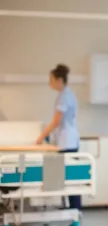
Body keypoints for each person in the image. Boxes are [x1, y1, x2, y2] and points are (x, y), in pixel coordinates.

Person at [36, 64, 81, 210]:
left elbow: (56, 121)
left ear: (59, 80)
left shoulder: (64, 97)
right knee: (68, 177)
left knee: (70, 177)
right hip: (68, 140)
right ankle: (72, 208)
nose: (50, 83)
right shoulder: (66, 95)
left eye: (52, 80)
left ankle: (75, 209)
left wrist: (41, 137)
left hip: (67, 141)